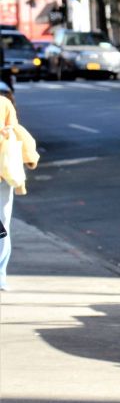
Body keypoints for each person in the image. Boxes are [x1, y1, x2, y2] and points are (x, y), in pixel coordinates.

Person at [0, 95, 39, 290]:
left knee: (2, 227)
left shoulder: (4, 104)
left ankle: (0, 276)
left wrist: (7, 133)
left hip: (2, 175)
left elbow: (16, 131)